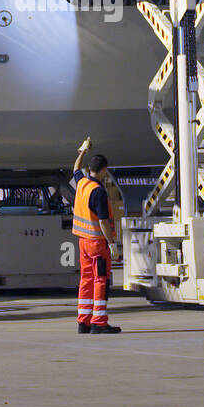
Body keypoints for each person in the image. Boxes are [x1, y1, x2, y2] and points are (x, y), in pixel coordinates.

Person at [71, 138, 121, 333]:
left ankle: (83, 321)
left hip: (83, 242)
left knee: (86, 280)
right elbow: (103, 221)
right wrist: (112, 244)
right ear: (103, 170)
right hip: (97, 243)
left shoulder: (82, 183)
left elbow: (75, 168)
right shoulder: (98, 191)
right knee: (101, 280)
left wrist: (82, 150)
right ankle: (99, 322)